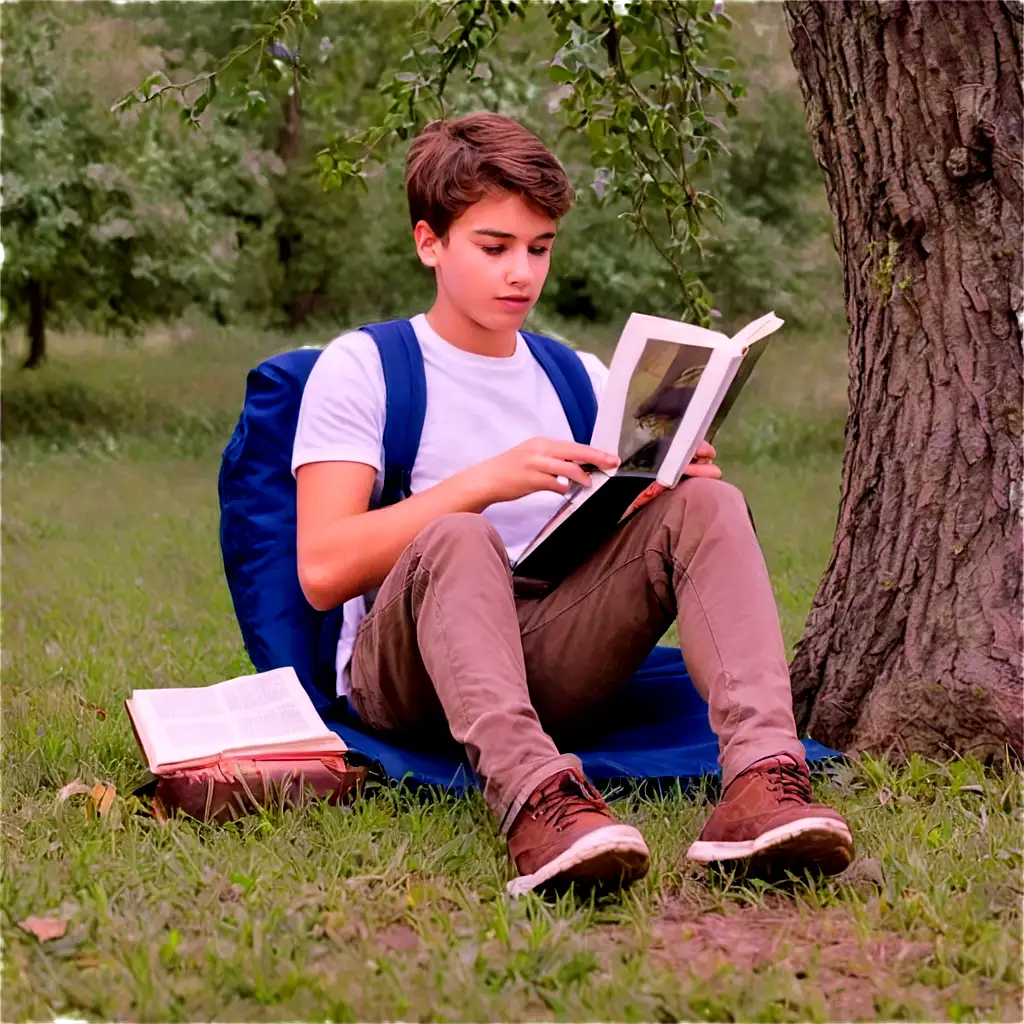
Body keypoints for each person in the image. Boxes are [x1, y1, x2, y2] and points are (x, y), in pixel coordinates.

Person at [292, 112, 854, 895]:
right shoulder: (365, 367)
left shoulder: (579, 377)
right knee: (460, 534)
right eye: (494, 247)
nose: (521, 272)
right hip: (412, 671)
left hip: (547, 648)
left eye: (540, 248)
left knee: (709, 507)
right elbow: (322, 570)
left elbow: (599, 537)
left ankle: (763, 781)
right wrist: (487, 481)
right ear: (430, 243)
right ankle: (537, 804)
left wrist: (660, 487)